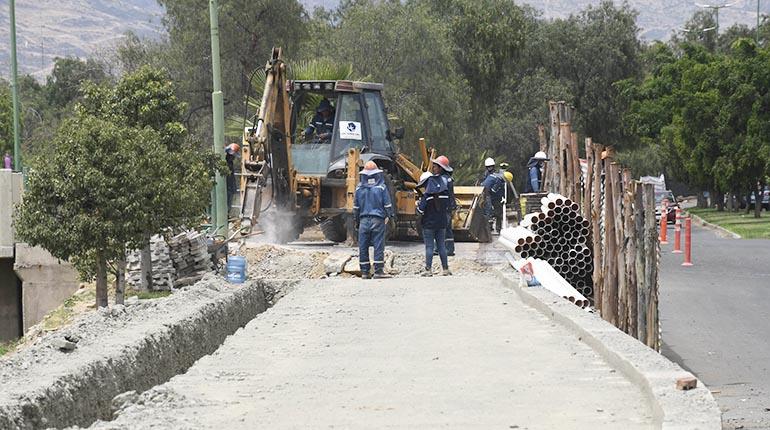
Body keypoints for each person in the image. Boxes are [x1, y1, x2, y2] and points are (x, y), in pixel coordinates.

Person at [354, 161, 394, 279]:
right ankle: (378, 271)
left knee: (363, 246)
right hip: (378, 220)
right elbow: (387, 205)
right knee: (378, 245)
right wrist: (390, 217)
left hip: (363, 220)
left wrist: (357, 222)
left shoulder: (359, 189)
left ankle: (365, 272)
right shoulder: (381, 188)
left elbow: (356, 208)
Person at [417, 171, 451, 277]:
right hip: (442, 224)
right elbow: (448, 207)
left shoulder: (427, 196)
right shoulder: (445, 194)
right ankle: (445, 269)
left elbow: (421, 211)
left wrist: (418, 205)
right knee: (441, 246)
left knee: (429, 247)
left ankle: (428, 270)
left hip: (429, 225)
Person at [432, 155, 456, 256]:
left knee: (445, 228)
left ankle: (448, 249)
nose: (433, 168)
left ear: (441, 168)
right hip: (444, 207)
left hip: (444, 208)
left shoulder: (444, 180)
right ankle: (439, 248)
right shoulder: (446, 179)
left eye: (435, 166)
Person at [481, 160, 506, 233]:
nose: (490, 168)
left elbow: (501, 185)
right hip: (488, 195)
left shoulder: (497, 174)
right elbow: (484, 185)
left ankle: (498, 229)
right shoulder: (485, 175)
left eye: (491, 166)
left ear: (493, 166)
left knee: (498, 212)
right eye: (488, 167)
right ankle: (489, 228)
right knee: (488, 212)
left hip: (496, 196)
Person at [225, 143, 240, 215]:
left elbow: (232, 177)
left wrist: (234, 188)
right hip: (226, 187)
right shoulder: (225, 163)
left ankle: (228, 213)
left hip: (229, 187)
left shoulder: (230, 163)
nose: (233, 157)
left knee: (229, 203)